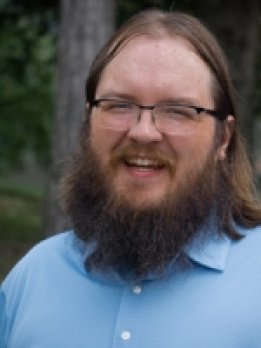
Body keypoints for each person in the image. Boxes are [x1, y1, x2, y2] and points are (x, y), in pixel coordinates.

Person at [2, 9, 261, 348]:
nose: (143, 132)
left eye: (178, 110)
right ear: (88, 124)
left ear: (223, 138)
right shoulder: (33, 277)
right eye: (119, 105)